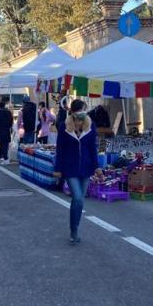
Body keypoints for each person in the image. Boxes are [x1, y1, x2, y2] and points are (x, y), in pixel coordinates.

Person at [53, 99, 98, 245]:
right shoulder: (64, 126)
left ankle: (75, 229)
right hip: (70, 168)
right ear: (72, 112)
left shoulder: (90, 125)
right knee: (77, 197)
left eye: (84, 110)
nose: (82, 113)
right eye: (80, 110)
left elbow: (93, 148)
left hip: (86, 167)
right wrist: (58, 169)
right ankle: (74, 230)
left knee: (80, 200)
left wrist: (97, 167)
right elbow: (60, 149)